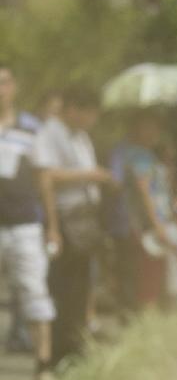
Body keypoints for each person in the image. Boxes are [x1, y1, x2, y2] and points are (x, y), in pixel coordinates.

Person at [35, 86, 116, 365]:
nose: (92, 120)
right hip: (65, 218)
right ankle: (61, 351)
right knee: (64, 288)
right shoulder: (50, 133)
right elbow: (46, 178)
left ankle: (77, 345)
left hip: (85, 218)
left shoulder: (80, 136)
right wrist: (53, 228)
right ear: (72, 109)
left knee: (82, 286)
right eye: (89, 113)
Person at [0, 65, 55, 380]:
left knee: (34, 292)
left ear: (14, 87)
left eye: (4, 83)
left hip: (25, 226)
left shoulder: (32, 129)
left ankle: (43, 365)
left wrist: (52, 226)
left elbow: (44, 178)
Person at [107, 110, 172, 311]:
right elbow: (144, 192)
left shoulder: (143, 153)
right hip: (142, 224)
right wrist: (156, 224)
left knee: (145, 271)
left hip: (145, 222)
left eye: (156, 127)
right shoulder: (137, 155)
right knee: (145, 271)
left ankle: (143, 311)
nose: (153, 132)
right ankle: (144, 313)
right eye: (148, 127)